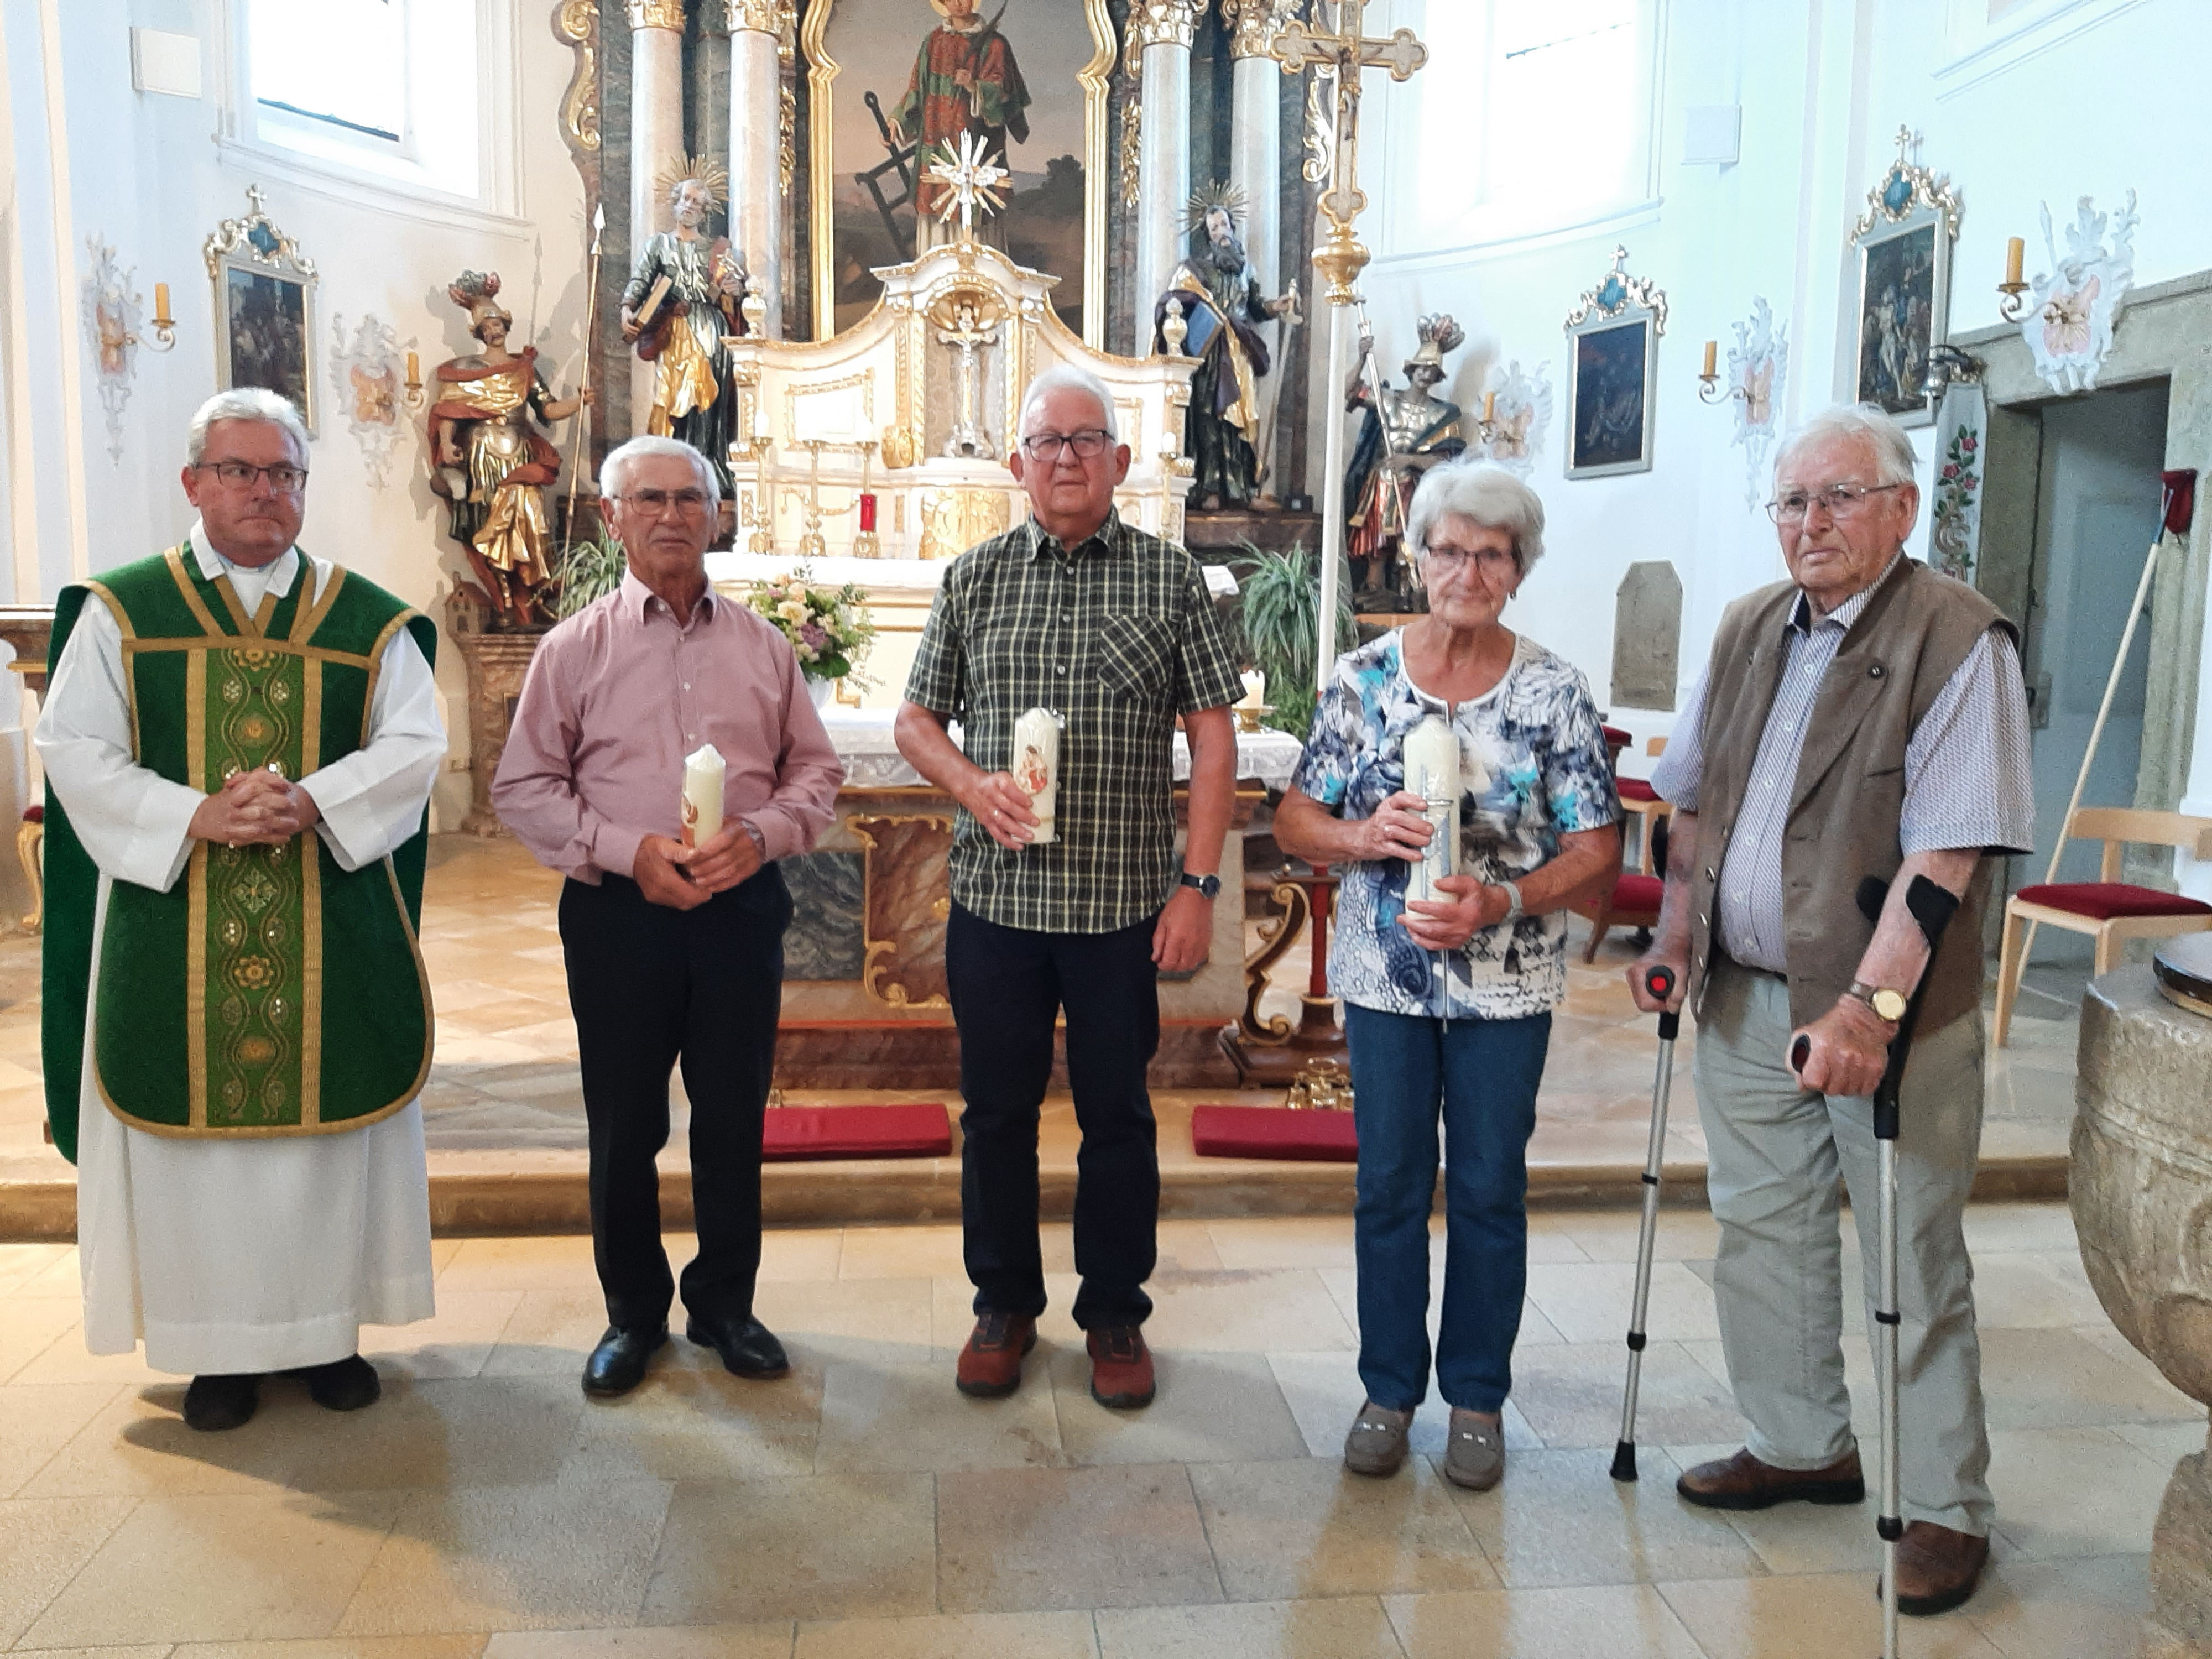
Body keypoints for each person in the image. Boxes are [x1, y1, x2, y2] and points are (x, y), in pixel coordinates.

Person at [1630, 401, 2033, 1617]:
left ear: (1898, 510)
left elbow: (1950, 848)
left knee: (1908, 1249)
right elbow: (1692, 793)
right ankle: (1800, 1443)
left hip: (1886, 1015)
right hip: (1747, 998)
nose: (1808, 524)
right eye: (1791, 503)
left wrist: (1870, 1005)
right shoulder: (1753, 624)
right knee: (1760, 1229)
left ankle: (1943, 1508)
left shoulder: (1957, 640)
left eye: (1835, 499)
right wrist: (1671, 930)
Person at [37, 387, 446, 1432]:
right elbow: (73, 748)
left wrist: (316, 799)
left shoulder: (368, 621)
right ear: (194, 484)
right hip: (175, 925)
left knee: (322, 1147)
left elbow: (414, 747)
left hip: (327, 913)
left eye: (284, 475)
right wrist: (194, 815)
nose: (265, 493)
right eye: (241, 472)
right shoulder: (123, 613)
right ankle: (212, 1350)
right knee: (198, 1160)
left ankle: (329, 1335)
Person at [893, 362, 1244, 1410]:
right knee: (996, 1113)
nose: (1066, 459)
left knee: (1118, 1117)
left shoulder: (1173, 580)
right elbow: (917, 721)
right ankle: (1002, 1302)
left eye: (1086, 440)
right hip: (996, 909)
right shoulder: (975, 578)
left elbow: (1213, 745)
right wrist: (969, 783)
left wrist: (1199, 887)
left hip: (1119, 911)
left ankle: (1115, 1312)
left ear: (1122, 462)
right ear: (1017, 464)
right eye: (1046, 442)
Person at [1274, 458, 1620, 1490]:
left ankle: (1476, 1398)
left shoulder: (1552, 689)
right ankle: (1388, 1389)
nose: (1468, 569)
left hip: (1506, 982)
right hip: (1385, 979)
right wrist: (1359, 831)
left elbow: (1599, 846)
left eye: (1493, 553)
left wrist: (1505, 899)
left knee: (1486, 1190)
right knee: (1385, 1186)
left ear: (1519, 568)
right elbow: (1294, 818)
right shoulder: (1361, 679)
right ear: (1416, 556)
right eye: (1450, 549)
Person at [492, 436, 843, 1399]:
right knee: (625, 1122)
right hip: (619, 917)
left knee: (731, 1118)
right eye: (649, 498)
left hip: (739, 909)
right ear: (614, 517)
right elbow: (522, 787)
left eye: (692, 499)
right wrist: (625, 851)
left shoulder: (765, 648)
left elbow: (817, 770)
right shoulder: (574, 649)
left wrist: (764, 833)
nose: (673, 516)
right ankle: (632, 1315)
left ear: (718, 517)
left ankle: (727, 1304)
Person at [429, 269, 592, 627]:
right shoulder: (467, 370)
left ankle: (532, 596)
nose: (494, 329)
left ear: (506, 324)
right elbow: (451, 410)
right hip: (483, 453)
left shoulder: (524, 370)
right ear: (479, 333)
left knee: (532, 520)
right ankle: (503, 599)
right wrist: (446, 444)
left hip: (519, 452)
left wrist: (578, 402)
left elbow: (547, 409)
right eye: (486, 326)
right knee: (491, 524)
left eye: (498, 322)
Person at [1152, 194, 1297, 510]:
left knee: (1241, 419)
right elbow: (1176, 304)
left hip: (1240, 351)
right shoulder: (1195, 269)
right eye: (1215, 226)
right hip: (1209, 353)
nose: (1222, 230)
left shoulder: (1246, 271)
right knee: (1211, 417)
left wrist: (1277, 306)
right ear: (1208, 235)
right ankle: (1211, 488)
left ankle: (1244, 490)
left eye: (1225, 224)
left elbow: (1256, 308)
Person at [620, 170, 748, 492]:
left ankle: (708, 465)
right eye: (686, 199)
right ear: (675, 203)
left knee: (711, 400)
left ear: (705, 212)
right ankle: (679, 468)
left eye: (698, 203)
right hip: (676, 329)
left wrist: (734, 289)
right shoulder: (659, 244)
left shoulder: (717, 250)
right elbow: (640, 280)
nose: (690, 206)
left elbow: (731, 292)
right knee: (678, 399)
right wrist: (627, 309)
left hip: (711, 327)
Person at [1345, 313, 1469, 602]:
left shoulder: (1443, 413)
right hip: (1383, 477)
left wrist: (1411, 461)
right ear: (1411, 370)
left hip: (1414, 483)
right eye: (1421, 368)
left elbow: (1448, 459)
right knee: (1376, 524)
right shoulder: (1388, 398)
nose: (1425, 374)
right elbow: (1348, 391)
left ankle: (1412, 587)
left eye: (1432, 370)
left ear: (1438, 376)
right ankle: (1374, 583)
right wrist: (1361, 357)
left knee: (1411, 532)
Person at [893, 0, 1030, 239]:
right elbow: (917, 89)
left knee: (976, 216)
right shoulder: (933, 42)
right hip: (936, 139)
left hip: (977, 144)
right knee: (937, 210)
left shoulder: (995, 44)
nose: (958, 4)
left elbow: (1004, 92)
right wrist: (896, 121)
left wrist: (974, 87)